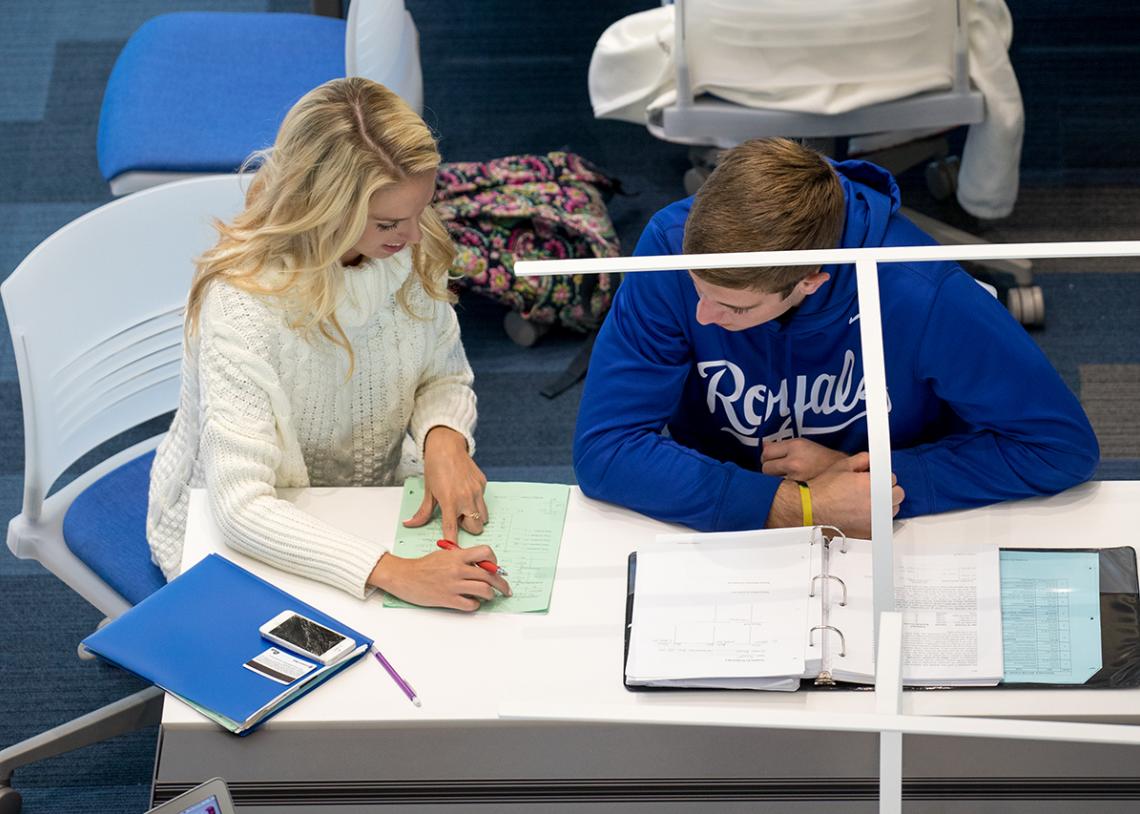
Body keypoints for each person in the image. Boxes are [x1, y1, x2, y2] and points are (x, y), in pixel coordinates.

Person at [573, 138, 1099, 537]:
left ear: (809, 281)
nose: (703, 317)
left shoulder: (920, 290)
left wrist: (884, 479)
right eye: (697, 292)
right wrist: (796, 506)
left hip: (890, 524)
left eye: (734, 306)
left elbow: (1059, 447)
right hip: (723, 506)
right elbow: (605, 448)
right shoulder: (671, 250)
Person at [147, 77, 510, 610]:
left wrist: (443, 436)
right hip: (250, 530)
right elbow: (240, 507)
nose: (414, 236)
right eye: (390, 221)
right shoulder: (243, 305)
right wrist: (394, 573)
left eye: (421, 210)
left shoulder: (402, 247)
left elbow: (442, 372)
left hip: (367, 501)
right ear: (324, 208)